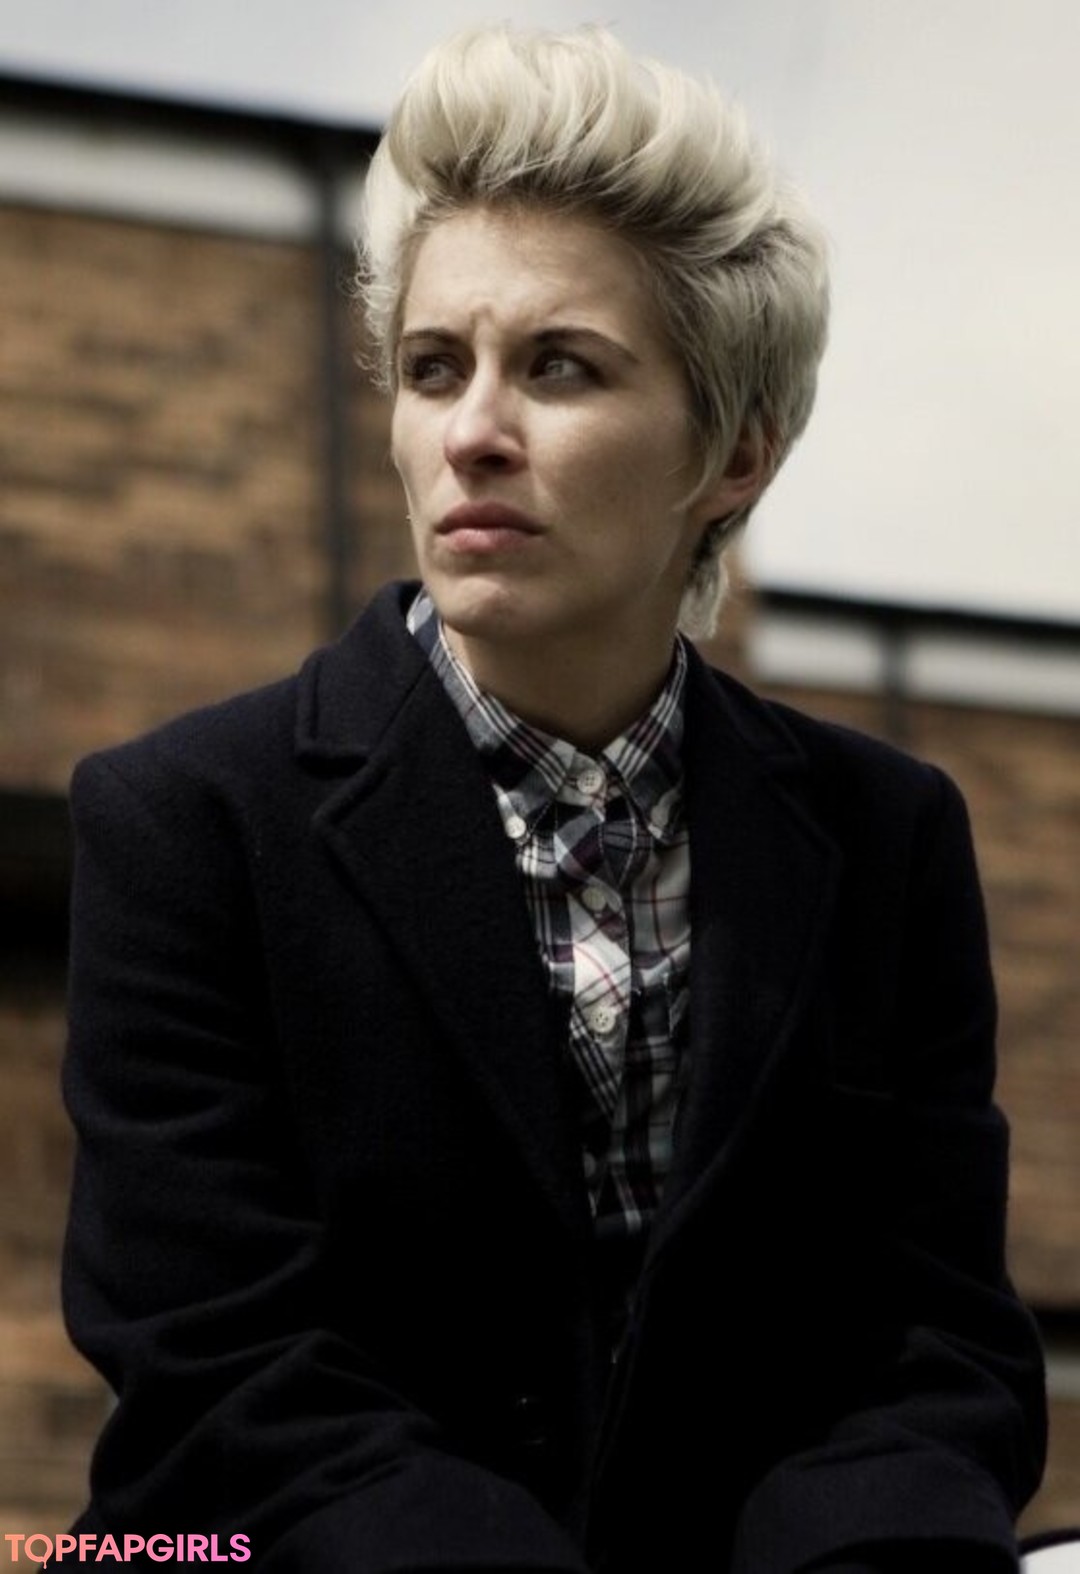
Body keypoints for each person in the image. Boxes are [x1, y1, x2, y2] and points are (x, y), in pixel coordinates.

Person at [62, 24, 1046, 1574]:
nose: (472, 432)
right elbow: (221, 1365)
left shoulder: (886, 839)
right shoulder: (186, 824)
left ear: (732, 452)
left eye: (560, 367)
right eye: (433, 367)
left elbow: (933, 1344)